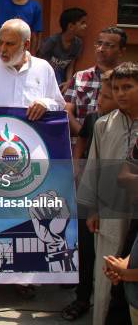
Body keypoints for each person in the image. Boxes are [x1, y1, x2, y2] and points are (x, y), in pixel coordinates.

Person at [78, 62, 138, 325]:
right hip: (110, 211)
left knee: (133, 274)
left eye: (128, 87)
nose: (121, 93)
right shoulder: (104, 125)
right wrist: (92, 209)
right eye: (117, 88)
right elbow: (93, 167)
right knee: (106, 275)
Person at [61, 70, 117, 321]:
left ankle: (113, 303)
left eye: (106, 96)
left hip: (117, 198)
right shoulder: (96, 119)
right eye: (100, 95)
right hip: (90, 190)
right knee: (85, 248)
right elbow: (82, 143)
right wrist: (76, 171)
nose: (99, 101)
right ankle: (83, 297)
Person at [0, 18, 65, 120]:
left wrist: (45, 104)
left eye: (9, 44)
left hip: (31, 134)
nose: (2, 49)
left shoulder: (43, 68)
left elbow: (59, 104)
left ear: (26, 45)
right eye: (0, 42)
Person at [65, 26, 126, 136]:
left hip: (115, 143)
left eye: (109, 45)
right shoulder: (80, 77)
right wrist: (85, 136)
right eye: (99, 43)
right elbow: (67, 111)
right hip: (81, 145)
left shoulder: (127, 80)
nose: (101, 49)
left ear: (121, 51)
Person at [38, 8, 87, 90]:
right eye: (82, 23)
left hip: (61, 80)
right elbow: (38, 61)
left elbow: (71, 65)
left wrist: (68, 81)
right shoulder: (52, 42)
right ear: (71, 26)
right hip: (45, 77)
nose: (85, 26)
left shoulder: (78, 44)